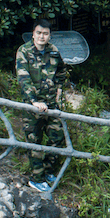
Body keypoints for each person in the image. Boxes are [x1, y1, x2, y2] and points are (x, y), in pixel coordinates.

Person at [16, 19, 70, 193]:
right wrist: (34, 101)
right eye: (39, 33)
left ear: (49, 36)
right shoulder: (24, 51)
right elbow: (23, 78)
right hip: (32, 106)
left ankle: (47, 170)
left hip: (51, 104)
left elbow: (61, 70)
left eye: (45, 34)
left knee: (58, 137)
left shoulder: (53, 51)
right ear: (33, 34)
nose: (42, 36)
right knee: (34, 141)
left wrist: (59, 89)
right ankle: (36, 178)